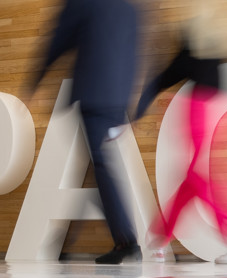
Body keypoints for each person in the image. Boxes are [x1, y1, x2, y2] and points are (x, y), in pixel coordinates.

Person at [133, 0, 227, 264]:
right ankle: (159, 236)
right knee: (197, 175)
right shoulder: (224, 22)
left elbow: (181, 65)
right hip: (223, 104)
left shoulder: (200, 21)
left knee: (199, 174)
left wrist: (147, 95)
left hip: (203, 104)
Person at [27, 0, 143, 264]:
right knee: (96, 165)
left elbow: (58, 41)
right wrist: (128, 104)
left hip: (93, 95)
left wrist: (34, 82)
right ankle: (100, 239)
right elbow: (134, 55)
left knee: (99, 164)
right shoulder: (130, 7)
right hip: (117, 98)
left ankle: (125, 240)